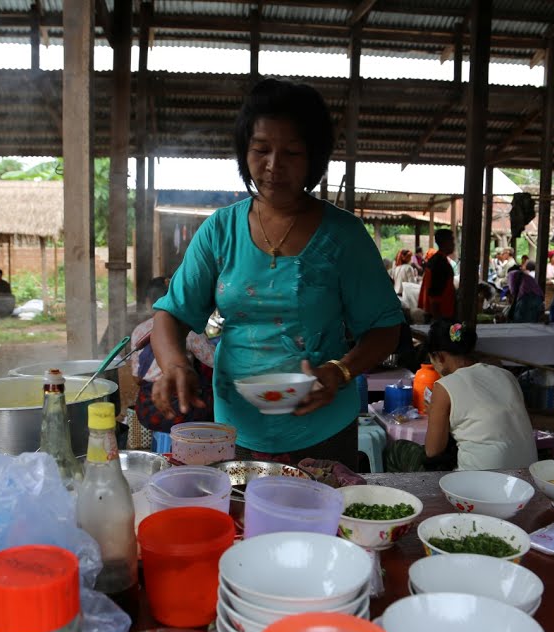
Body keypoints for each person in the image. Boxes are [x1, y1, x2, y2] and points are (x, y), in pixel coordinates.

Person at [149, 78, 403, 469]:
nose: (273, 166)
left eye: (292, 152)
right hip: (235, 427)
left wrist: (339, 371)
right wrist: (175, 366)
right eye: (261, 150)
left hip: (321, 428)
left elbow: (386, 327)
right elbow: (172, 313)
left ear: (314, 157)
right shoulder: (220, 231)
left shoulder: (343, 236)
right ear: (244, 152)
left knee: (318, 525)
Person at [423, 320, 538, 470]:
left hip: (481, 482)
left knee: (403, 452)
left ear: (439, 357)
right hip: (527, 475)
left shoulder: (444, 386)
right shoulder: (506, 375)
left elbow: (433, 451)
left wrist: (434, 413)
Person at [131, 276, 215, 433]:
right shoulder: (189, 331)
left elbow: (137, 378)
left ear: (149, 303)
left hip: (146, 408)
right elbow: (214, 361)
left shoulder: (138, 331)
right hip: (179, 409)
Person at [417, 229, 456, 319]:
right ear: (445, 242)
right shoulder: (440, 264)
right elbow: (434, 296)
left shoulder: (436, 260)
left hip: (440, 315)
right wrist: (438, 321)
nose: (454, 244)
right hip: (442, 316)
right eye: (452, 240)